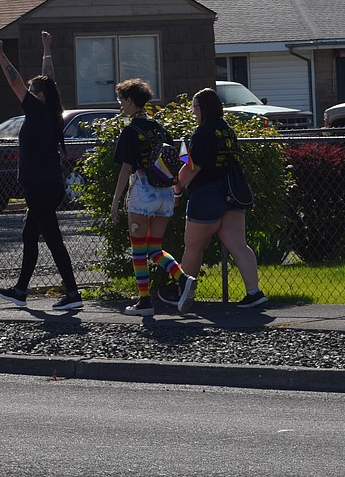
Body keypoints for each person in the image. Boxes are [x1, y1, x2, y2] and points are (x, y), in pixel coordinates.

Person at [0, 31, 83, 310]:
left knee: (53, 239)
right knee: (30, 235)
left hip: (39, 186)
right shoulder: (52, 111)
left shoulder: (36, 109)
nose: (28, 94)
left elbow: (15, 80)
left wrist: (0, 54)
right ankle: (20, 291)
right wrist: (46, 47)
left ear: (38, 96)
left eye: (33, 92)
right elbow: (48, 79)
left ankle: (73, 293)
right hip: (49, 185)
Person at [169, 87, 266, 311]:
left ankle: (183, 294)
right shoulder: (227, 130)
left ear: (203, 108)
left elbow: (192, 167)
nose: (193, 112)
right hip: (232, 194)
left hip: (206, 195)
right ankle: (254, 292)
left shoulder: (202, 133)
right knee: (239, 244)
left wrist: (177, 188)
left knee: (193, 246)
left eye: (194, 107)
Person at [110, 78, 194, 316]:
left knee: (139, 250)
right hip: (165, 194)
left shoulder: (129, 131)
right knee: (155, 249)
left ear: (129, 100)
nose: (121, 105)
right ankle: (183, 278)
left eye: (121, 100)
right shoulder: (160, 128)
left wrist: (116, 201)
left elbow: (126, 169)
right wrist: (177, 189)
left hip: (142, 193)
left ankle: (144, 302)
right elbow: (183, 157)